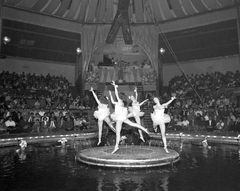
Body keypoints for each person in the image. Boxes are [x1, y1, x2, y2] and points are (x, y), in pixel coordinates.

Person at [109, 81, 149, 154]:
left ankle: (116, 146)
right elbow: (113, 100)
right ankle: (144, 129)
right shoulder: (121, 103)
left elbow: (116, 94)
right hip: (123, 117)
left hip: (119, 118)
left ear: (120, 97)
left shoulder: (119, 101)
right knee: (133, 124)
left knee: (118, 133)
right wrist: (111, 95)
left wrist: (115, 86)